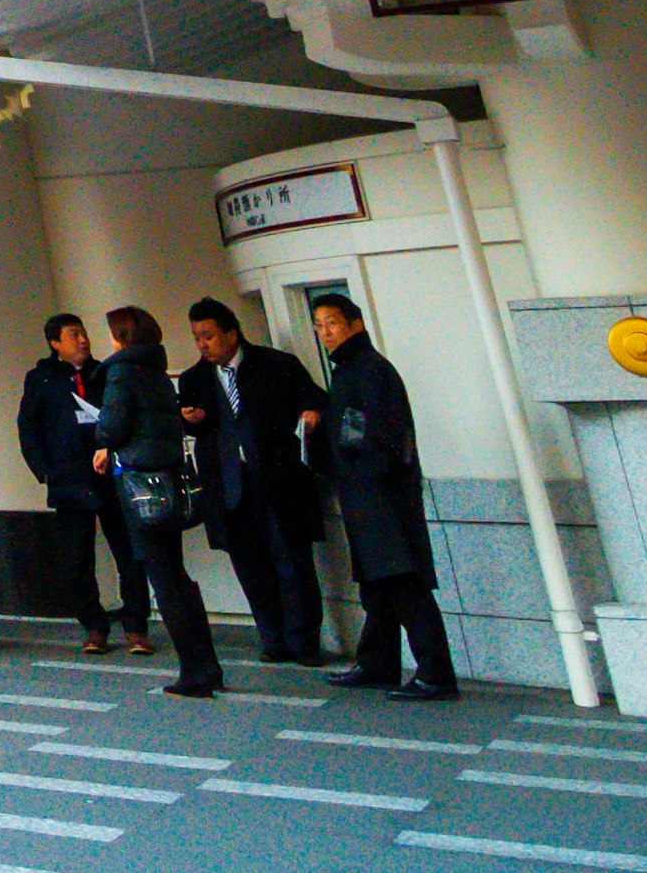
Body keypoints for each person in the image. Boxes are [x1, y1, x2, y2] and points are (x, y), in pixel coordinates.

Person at [312, 294, 459, 702]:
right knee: (379, 583)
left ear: (355, 323)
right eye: (319, 326)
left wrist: (342, 461)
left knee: (402, 582)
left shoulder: (369, 371)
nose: (325, 334)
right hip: (368, 492)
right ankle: (377, 663)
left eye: (332, 324)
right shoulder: (353, 369)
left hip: (380, 494)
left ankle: (435, 673)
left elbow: (370, 435)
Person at [180, 298, 332, 666]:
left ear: (231, 333)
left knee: (292, 562)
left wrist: (312, 413)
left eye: (209, 336)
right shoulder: (194, 378)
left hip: (278, 480)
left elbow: (314, 397)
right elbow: (194, 427)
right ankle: (272, 639)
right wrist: (190, 419)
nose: (202, 345)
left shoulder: (276, 365)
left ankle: (304, 643)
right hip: (228, 487)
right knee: (250, 567)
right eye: (197, 338)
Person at [91, 303, 221, 699]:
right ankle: (207, 664)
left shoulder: (120, 372)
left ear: (122, 337)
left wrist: (101, 440)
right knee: (177, 576)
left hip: (140, 486)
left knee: (163, 578)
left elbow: (112, 426)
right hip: (169, 481)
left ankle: (194, 672)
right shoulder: (156, 372)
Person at [16, 312, 147, 655]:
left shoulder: (105, 373)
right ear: (55, 343)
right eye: (73, 335)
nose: (83, 340)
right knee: (77, 561)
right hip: (69, 481)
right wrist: (45, 471)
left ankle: (136, 626)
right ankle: (94, 627)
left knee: (130, 555)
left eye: (84, 333)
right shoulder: (41, 379)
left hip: (112, 478)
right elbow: (28, 429)